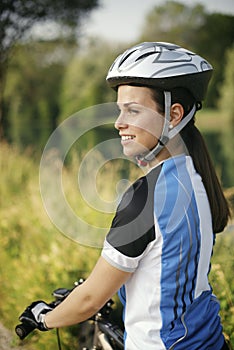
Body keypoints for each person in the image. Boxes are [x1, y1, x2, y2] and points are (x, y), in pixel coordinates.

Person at [20, 42, 231, 349]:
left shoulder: (146, 196)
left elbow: (89, 300)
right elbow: (167, 270)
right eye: (120, 110)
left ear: (174, 115)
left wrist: (42, 317)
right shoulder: (195, 177)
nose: (119, 123)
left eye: (133, 110)